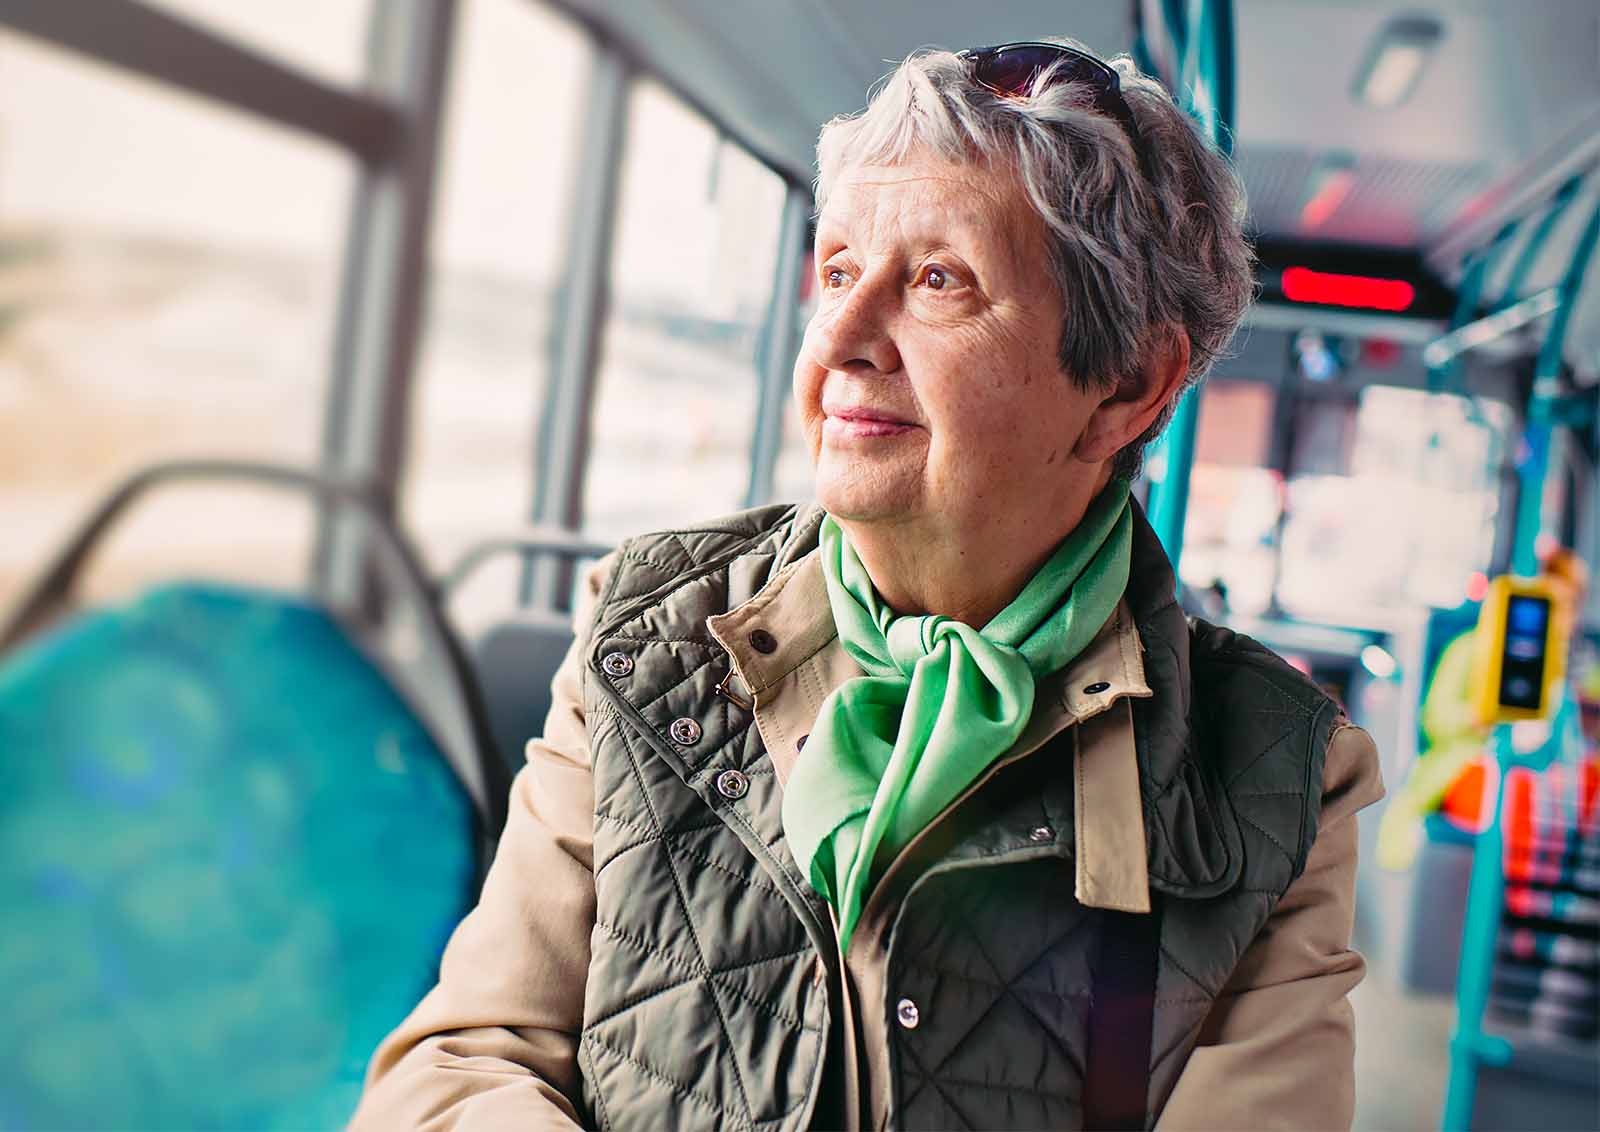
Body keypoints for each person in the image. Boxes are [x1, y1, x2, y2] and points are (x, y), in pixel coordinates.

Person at [353, 40, 1384, 1131]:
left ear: (1126, 384)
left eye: (939, 280)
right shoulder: (648, 629)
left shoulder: (1276, 775)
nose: (840, 337)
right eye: (839, 270)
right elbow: (461, 1064)